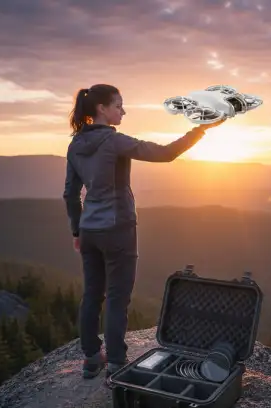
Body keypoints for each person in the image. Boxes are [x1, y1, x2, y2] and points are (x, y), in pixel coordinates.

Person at [63, 83, 224, 379]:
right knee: (116, 296)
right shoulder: (114, 142)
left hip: (88, 231)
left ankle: (90, 357)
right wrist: (199, 130)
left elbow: (71, 194)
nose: (123, 111)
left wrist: (76, 230)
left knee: (92, 294)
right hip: (118, 229)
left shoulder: (75, 145)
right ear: (102, 109)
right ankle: (115, 361)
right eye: (118, 105)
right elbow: (164, 154)